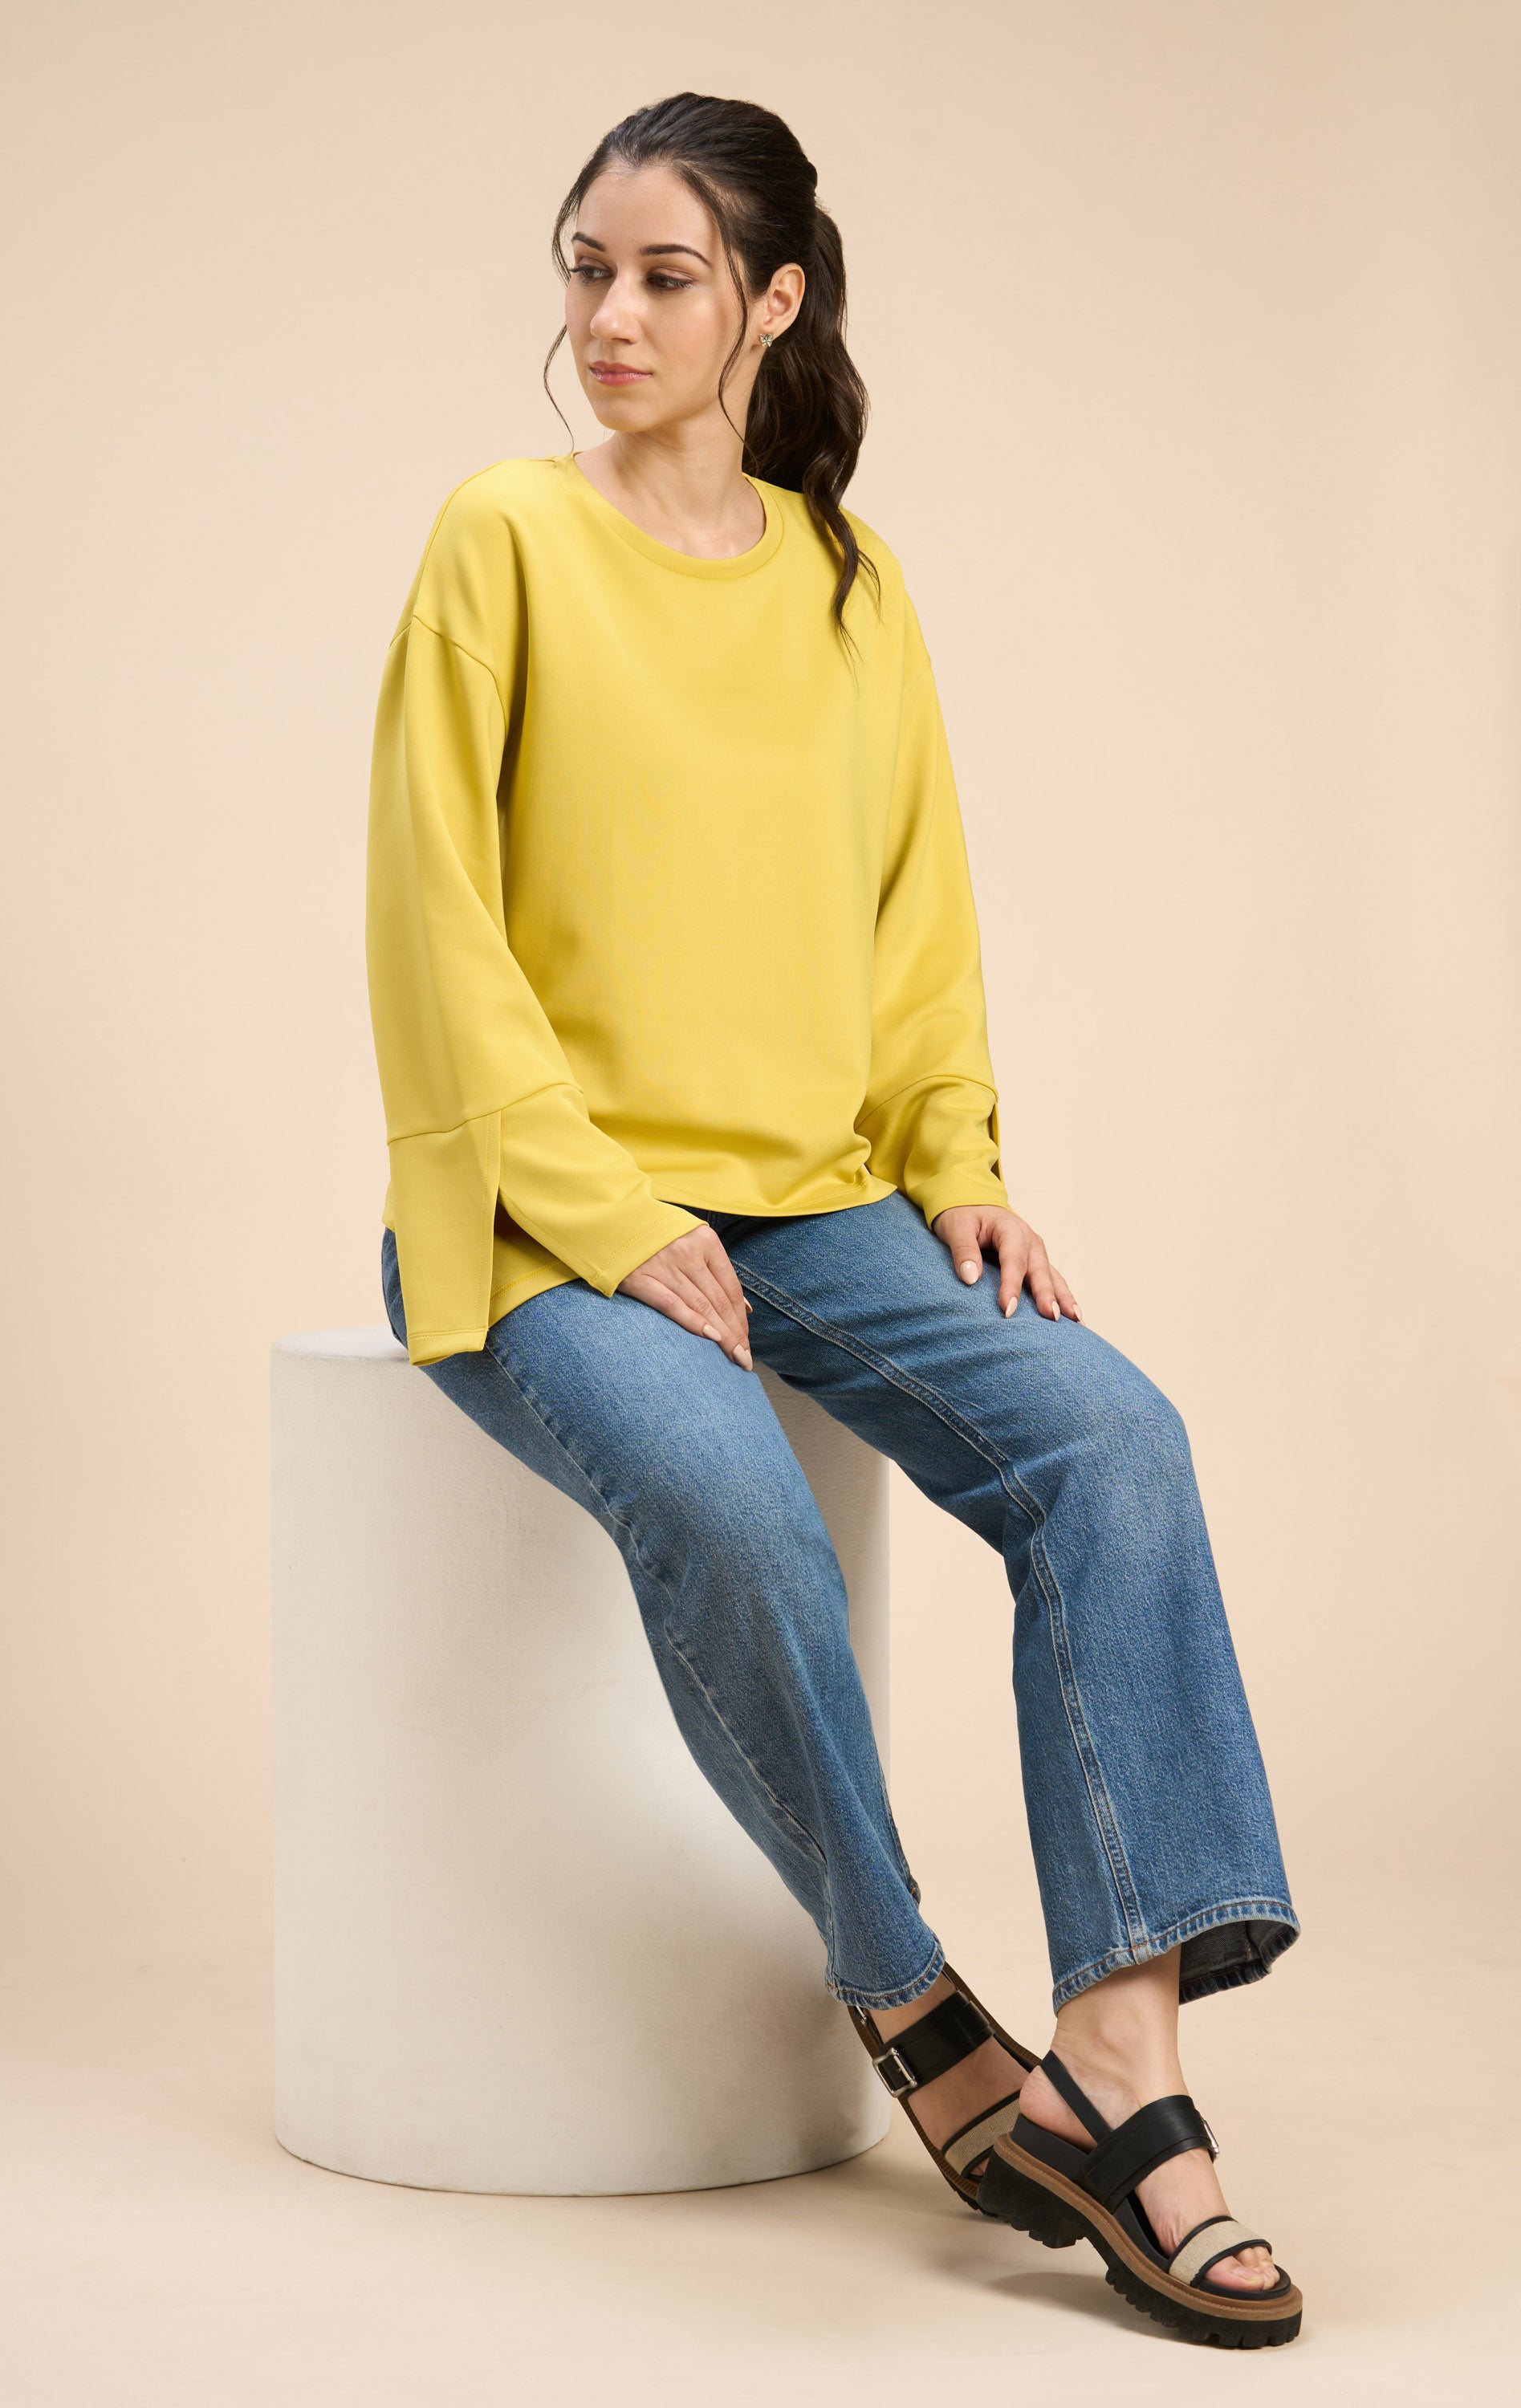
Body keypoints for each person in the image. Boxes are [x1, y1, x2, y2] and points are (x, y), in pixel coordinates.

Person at [364, 91, 1302, 2348]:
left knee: (1115, 1438)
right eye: (587, 269)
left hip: (814, 1205)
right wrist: (603, 1214)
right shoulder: (504, 537)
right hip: (535, 1212)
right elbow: (434, 920)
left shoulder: (849, 586)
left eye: (665, 276)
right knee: (735, 1503)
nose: (609, 315)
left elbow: (916, 924)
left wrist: (959, 1165)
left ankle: (1123, 2058)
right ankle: (915, 2007)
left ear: (773, 304)